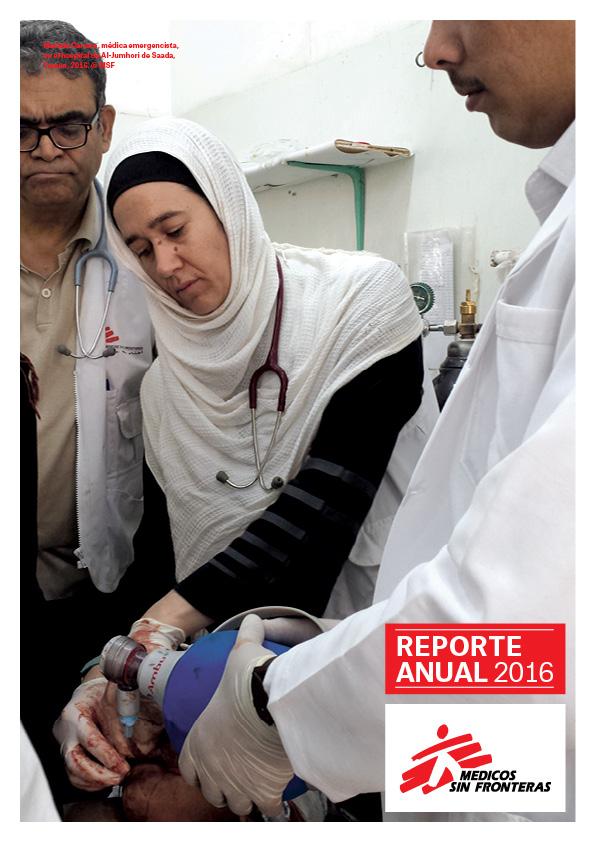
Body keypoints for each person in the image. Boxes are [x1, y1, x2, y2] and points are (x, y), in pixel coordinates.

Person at [176, 20, 576, 823]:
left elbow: (514, 624)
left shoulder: (361, 298)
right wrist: (333, 671)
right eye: (138, 246)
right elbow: (543, 731)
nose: (434, 49)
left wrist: (276, 708)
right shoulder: (567, 216)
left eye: (464, 8)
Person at [53, 116, 439, 798]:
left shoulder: (360, 302)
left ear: (228, 207)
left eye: (175, 230)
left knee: (451, 793)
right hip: (255, 677)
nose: (165, 266)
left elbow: (322, 517)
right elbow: (166, 559)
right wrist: (105, 671)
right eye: (140, 249)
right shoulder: (167, 391)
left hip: (405, 651)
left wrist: (153, 635)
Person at [20, 20, 175, 807]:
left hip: (110, 589)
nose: (46, 148)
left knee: (102, 780)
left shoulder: (146, 255)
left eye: (68, 125)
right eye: (21, 128)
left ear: (104, 126)